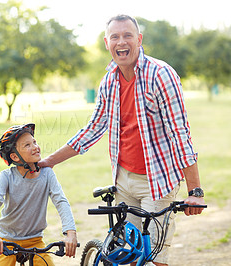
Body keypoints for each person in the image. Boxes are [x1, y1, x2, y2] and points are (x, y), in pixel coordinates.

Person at [38, 15, 205, 266]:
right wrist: (48, 161)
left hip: (157, 182)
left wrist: (195, 191)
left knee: (154, 257)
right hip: (123, 181)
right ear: (107, 43)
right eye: (115, 37)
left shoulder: (160, 75)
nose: (121, 42)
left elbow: (179, 134)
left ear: (139, 40)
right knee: (127, 255)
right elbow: (93, 129)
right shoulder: (109, 81)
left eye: (127, 35)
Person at [0, 123, 77, 266]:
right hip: (7, 240)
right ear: (15, 156)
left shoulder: (47, 174)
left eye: (34, 142)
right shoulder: (6, 176)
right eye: (27, 145)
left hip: (35, 240)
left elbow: (61, 202)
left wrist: (70, 233)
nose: (35, 146)